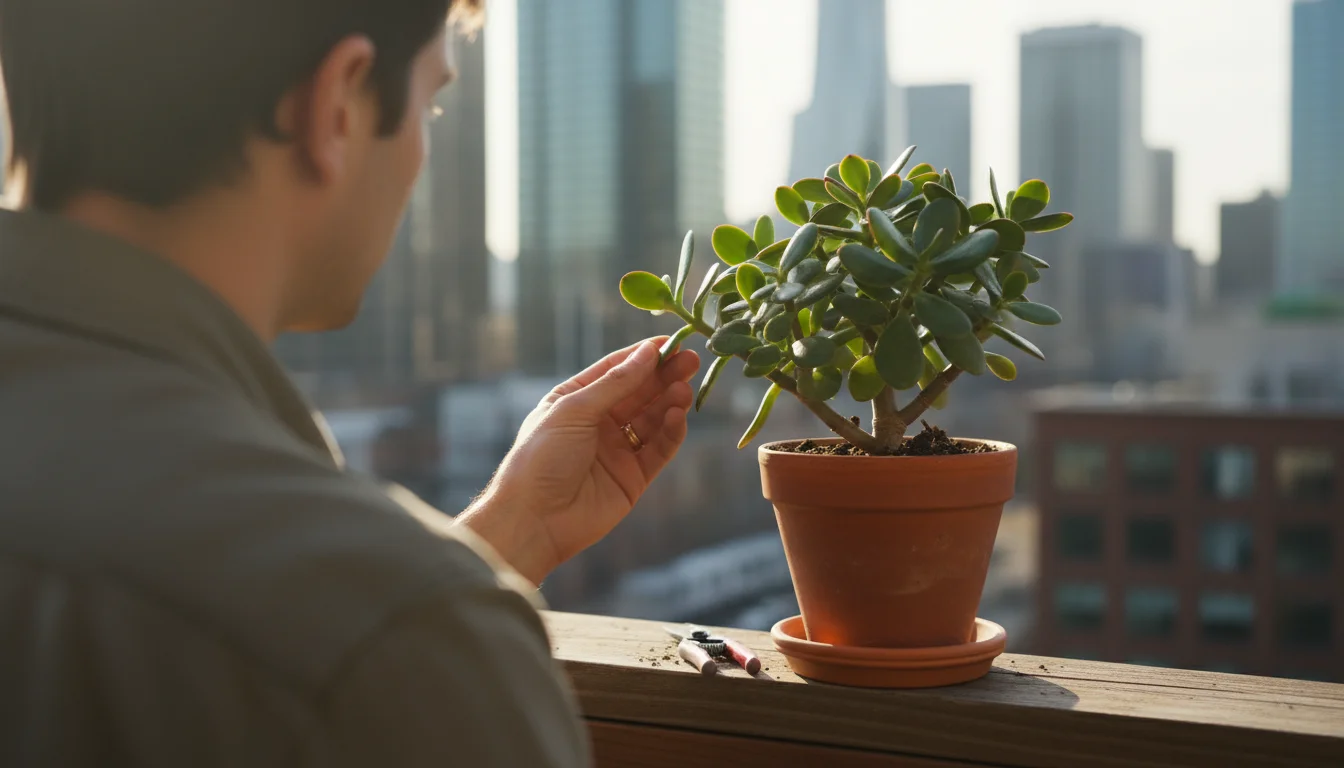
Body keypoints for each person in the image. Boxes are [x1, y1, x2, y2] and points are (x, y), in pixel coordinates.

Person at [0, 1, 701, 765]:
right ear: (337, 104)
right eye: (431, 101)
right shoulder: (411, 654)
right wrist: (429, 613)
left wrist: (511, 532)